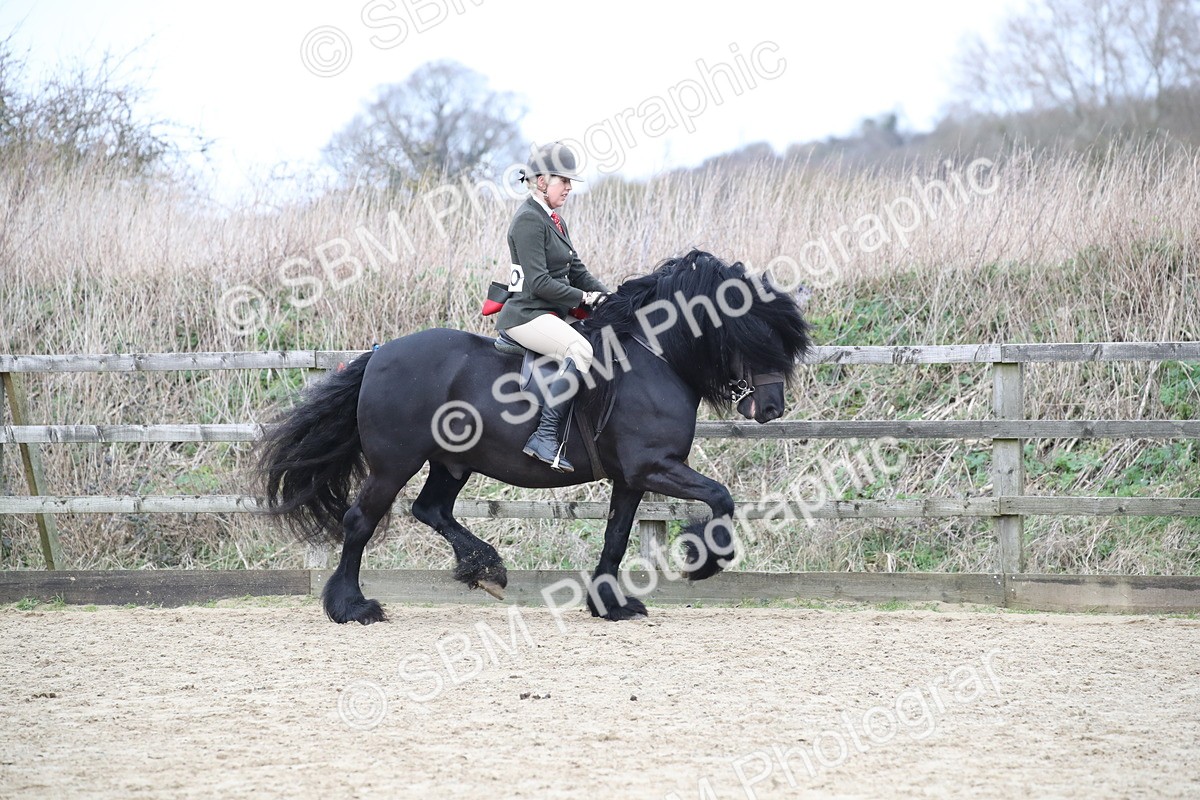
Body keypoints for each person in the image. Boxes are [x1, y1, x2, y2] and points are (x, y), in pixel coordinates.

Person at [494, 142, 610, 473]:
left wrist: (612, 299)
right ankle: (544, 437)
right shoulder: (528, 221)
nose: (570, 188)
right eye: (564, 180)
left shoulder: (554, 220)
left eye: (571, 182)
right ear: (542, 181)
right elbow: (541, 283)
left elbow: (578, 272)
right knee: (580, 349)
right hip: (526, 315)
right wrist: (584, 299)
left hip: (550, 312)